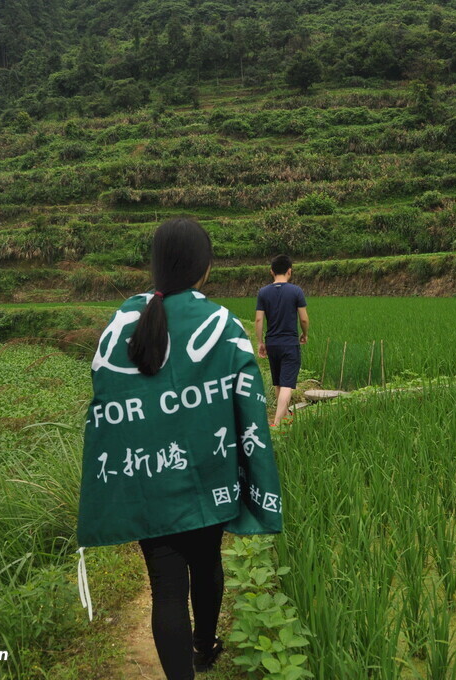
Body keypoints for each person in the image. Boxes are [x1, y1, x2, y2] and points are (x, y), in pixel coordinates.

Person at [76, 218, 283, 680]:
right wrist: (254, 472)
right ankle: (205, 647)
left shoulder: (120, 324)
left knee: (166, 589)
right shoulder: (220, 322)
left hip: (149, 480)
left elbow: (108, 407)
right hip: (206, 478)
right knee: (207, 564)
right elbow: (247, 402)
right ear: (203, 267)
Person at [254, 255, 309, 428]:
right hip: (289, 343)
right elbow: (304, 319)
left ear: (271, 271)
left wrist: (260, 342)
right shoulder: (296, 291)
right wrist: (304, 334)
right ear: (289, 271)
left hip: (272, 343)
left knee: (278, 382)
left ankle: (285, 417)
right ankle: (277, 423)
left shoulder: (263, 292)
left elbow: (258, 320)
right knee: (287, 385)